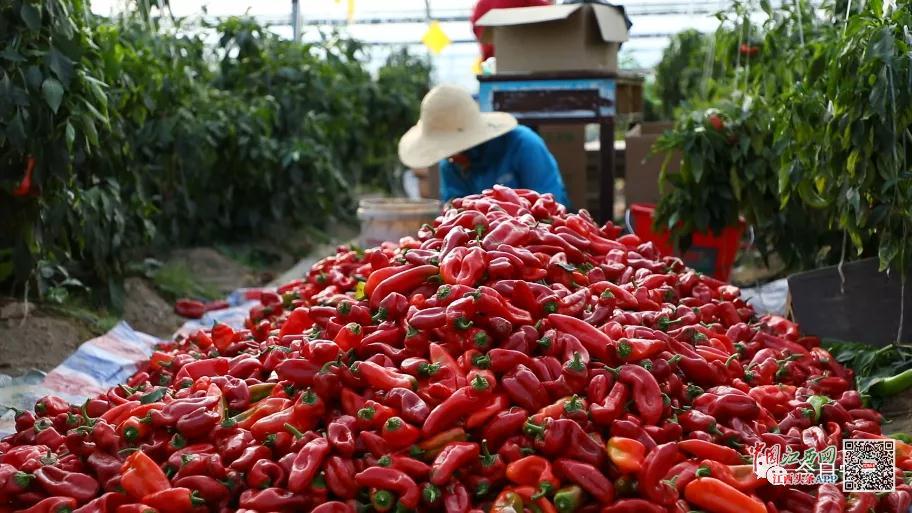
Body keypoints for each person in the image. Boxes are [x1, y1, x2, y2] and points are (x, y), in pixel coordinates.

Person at [398, 84, 569, 206]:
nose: (450, 154)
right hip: (483, 241)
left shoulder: (523, 144)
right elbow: (455, 211)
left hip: (538, 236)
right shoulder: (450, 164)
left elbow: (549, 206)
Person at [470, 0, 553, 61]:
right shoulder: (528, 1)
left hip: (491, 64)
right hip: (524, 61)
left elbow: (478, 30)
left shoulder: (481, 4)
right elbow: (552, 16)